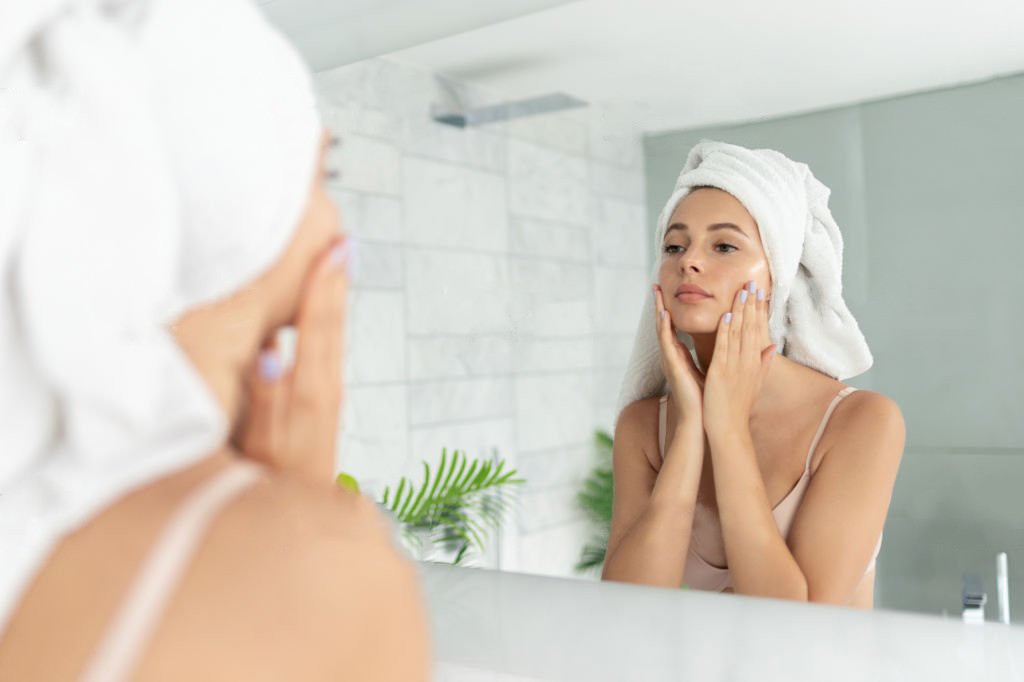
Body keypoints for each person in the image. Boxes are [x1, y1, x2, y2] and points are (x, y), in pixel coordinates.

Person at [0, 1, 429, 679]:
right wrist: (298, 528)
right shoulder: (320, 574)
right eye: (325, 175)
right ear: (245, 221)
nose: (338, 220)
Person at [602, 141, 905, 607]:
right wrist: (689, 433)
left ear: (777, 274)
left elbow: (798, 623)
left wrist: (726, 430)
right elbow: (625, 609)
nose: (689, 261)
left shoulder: (860, 422)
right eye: (674, 245)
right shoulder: (645, 428)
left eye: (724, 245)